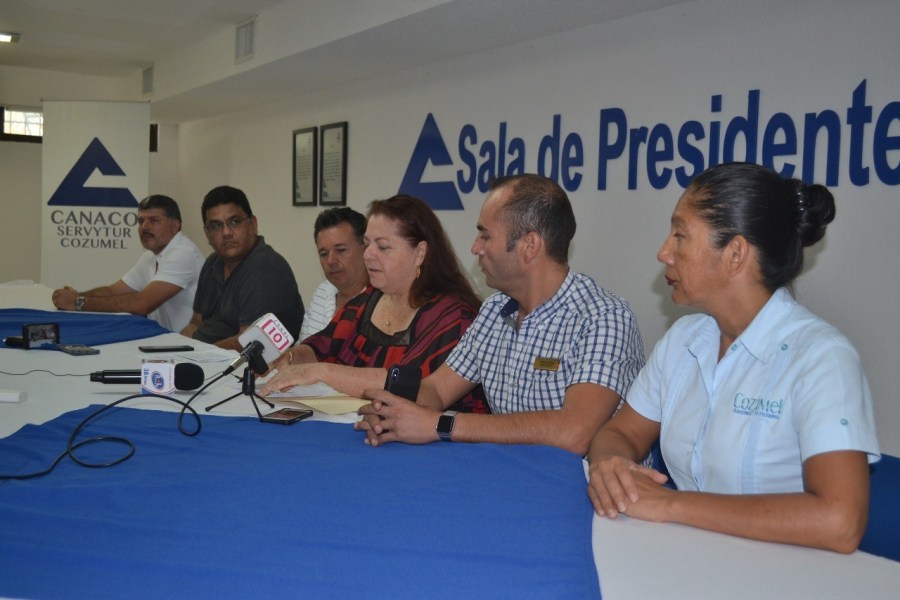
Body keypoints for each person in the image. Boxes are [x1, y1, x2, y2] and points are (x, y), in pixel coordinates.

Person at [586, 162, 880, 554]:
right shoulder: (684, 341)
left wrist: (671, 504)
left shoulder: (821, 357)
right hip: (687, 557)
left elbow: (839, 521)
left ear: (735, 253)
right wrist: (610, 465)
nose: (664, 253)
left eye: (680, 235)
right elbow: (621, 434)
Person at [352, 174, 645, 455]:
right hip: (507, 475)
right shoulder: (494, 310)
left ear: (529, 246)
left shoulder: (603, 318)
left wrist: (440, 424)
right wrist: (393, 411)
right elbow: (437, 390)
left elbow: (574, 433)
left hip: (581, 484)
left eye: (485, 236)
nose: (475, 248)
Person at [261, 194, 488, 414]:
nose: (368, 255)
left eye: (382, 247)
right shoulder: (366, 301)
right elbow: (320, 348)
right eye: (367, 244)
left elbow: (409, 386)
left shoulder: (452, 317)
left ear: (419, 253)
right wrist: (290, 358)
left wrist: (322, 372)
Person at [51, 195, 204, 332]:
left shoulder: (184, 253)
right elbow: (113, 291)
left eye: (153, 220)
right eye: (140, 221)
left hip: (187, 347)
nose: (144, 227)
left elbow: (142, 304)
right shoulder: (150, 257)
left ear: (175, 226)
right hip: (164, 340)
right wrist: (76, 296)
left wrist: (78, 302)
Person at [182, 186, 303, 350]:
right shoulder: (212, 262)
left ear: (253, 224)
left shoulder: (266, 268)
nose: (226, 233)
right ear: (207, 234)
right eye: (216, 226)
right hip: (204, 356)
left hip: (242, 363)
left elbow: (249, 342)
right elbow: (196, 323)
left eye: (235, 222)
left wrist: (199, 354)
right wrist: (175, 349)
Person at [298, 207, 369, 340]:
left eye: (341, 250)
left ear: (366, 248)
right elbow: (302, 345)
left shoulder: (380, 301)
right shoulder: (323, 291)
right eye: (324, 254)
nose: (331, 261)